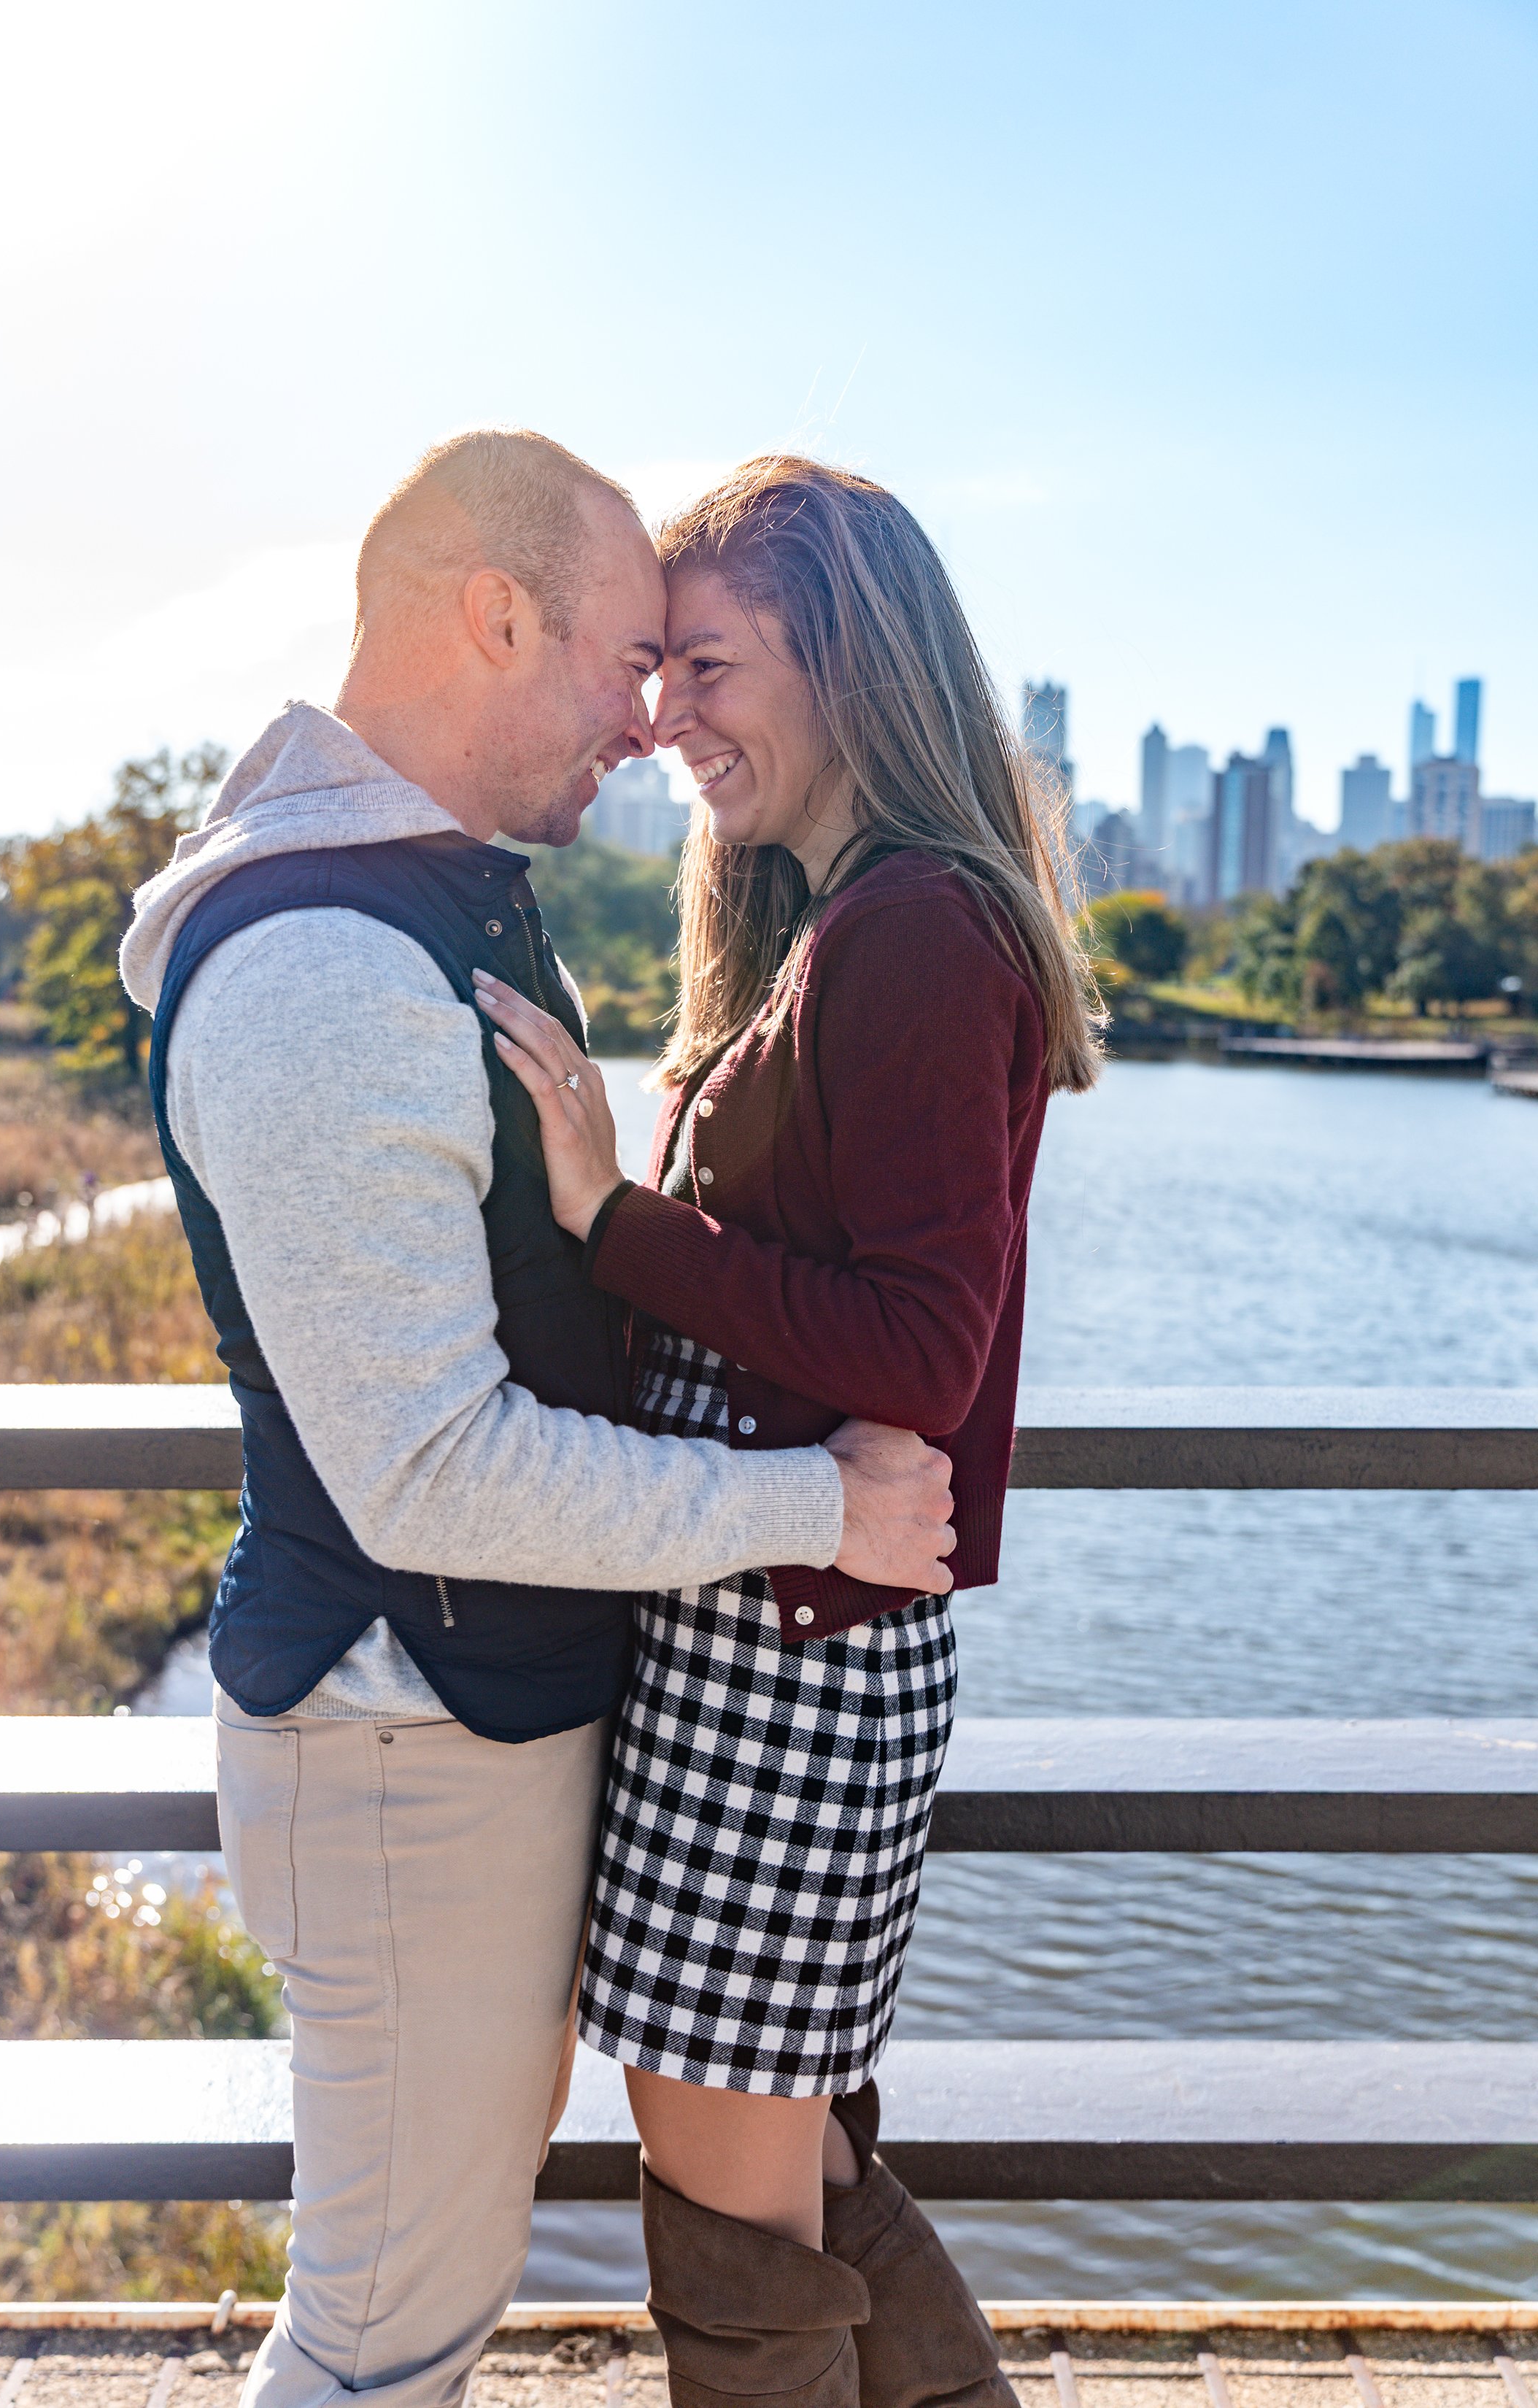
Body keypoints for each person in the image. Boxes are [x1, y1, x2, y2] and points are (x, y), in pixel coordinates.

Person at [118, 430, 957, 2408]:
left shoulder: (431, 906)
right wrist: (803, 1506)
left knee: (423, 2300)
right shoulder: (328, 960)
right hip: (404, 1734)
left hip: (455, 1723)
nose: (645, 722)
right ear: (490, 613)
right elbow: (432, 1461)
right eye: (618, 659)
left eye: (687, 669)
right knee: (384, 2331)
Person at [478, 454, 1100, 2408]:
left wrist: (610, 1220)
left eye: (713, 667)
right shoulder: (853, 921)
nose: (668, 719)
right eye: (657, 669)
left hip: (789, 1666)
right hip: (770, 1641)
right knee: (788, 2186)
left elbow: (920, 1348)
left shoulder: (911, 928)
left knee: (737, 2219)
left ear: (847, 657)